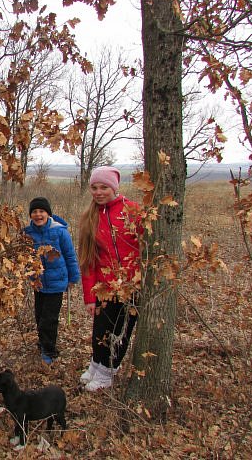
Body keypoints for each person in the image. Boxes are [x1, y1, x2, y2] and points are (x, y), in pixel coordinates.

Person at [78, 166, 141, 392]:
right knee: (100, 331)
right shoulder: (90, 217)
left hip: (131, 288)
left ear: (114, 188)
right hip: (104, 288)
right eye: (94, 187)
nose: (98, 192)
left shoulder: (132, 211)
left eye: (104, 187)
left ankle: (108, 373)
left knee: (120, 332)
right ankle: (97, 365)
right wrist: (90, 296)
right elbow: (88, 261)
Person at [24, 197, 81, 365]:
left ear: (48, 213)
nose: (38, 215)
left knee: (49, 319)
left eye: (41, 211)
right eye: (34, 212)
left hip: (57, 283)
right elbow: (23, 258)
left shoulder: (60, 231)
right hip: (39, 284)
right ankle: (43, 342)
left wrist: (73, 277)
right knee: (39, 316)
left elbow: (70, 255)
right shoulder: (27, 233)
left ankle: (49, 351)